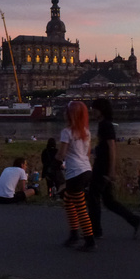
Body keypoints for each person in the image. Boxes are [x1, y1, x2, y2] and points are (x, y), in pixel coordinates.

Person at [87, 98, 140, 239]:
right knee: (108, 201)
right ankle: (134, 220)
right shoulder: (103, 124)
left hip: (103, 166)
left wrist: (111, 169)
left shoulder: (105, 125)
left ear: (101, 110)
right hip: (102, 164)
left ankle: (95, 230)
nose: (92, 111)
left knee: (93, 197)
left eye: (95, 109)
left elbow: (112, 146)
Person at [59, 101, 97, 250]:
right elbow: (87, 154)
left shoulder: (67, 132)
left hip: (74, 172)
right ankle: (74, 234)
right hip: (86, 170)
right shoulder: (86, 132)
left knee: (80, 207)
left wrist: (54, 163)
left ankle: (89, 240)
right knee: (69, 201)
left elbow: (61, 153)